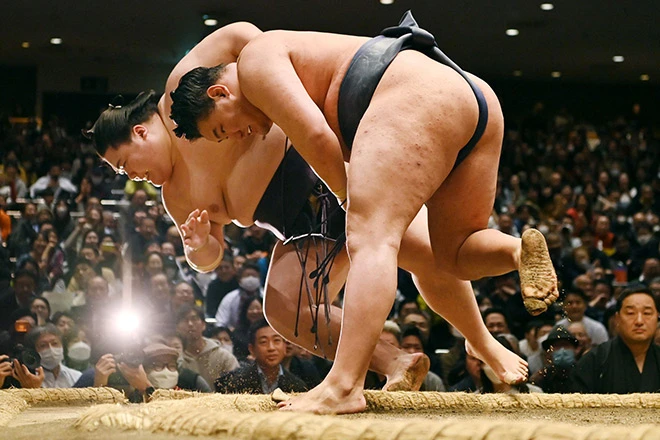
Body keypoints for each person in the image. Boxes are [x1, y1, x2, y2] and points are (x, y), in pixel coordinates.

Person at [88, 20, 533, 410]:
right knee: (285, 310)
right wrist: (198, 246)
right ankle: (394, 361)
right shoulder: (176, 199)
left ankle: (482, 342)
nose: (132, 175)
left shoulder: (184, 87)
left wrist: (269, 101)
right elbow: (210, 260)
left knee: (430, 256)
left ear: (140, 131)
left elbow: (243, 35)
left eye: (125, 162)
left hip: (324, 166)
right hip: (298, 229)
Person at [571, 288, 660, 393]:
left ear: (657, 317)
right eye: (631, 313)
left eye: (647, 313)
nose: (639, 321)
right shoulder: (594, 360)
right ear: (617, 319)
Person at [215, 319, 307, 394]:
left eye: (276, 340)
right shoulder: (235, 382)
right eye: (263, 342)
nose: (271, 348)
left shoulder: (297, 386)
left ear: (284, 346)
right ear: (252, 349)